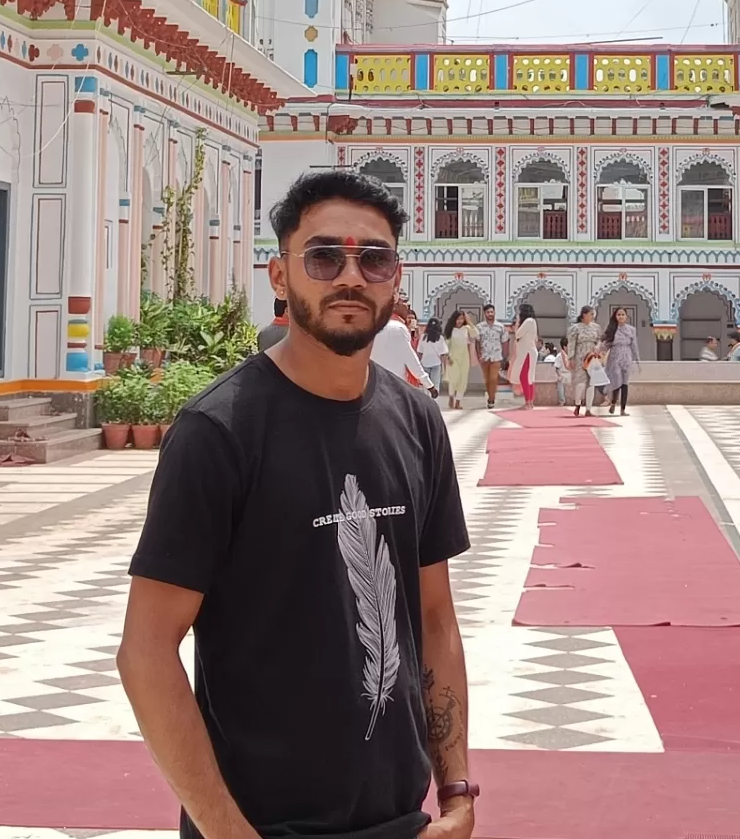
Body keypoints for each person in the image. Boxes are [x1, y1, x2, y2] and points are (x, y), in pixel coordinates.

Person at [118, 168, 476, 839]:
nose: (350, 275)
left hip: (399, 820)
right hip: (264, 826)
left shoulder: (416, 422)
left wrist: (454, 788)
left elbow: (434, 618)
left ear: (396, 278)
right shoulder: (220, 432)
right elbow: (146, 650)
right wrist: (227, 831)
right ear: (280, 277)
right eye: (323, 256)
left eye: (373, 258)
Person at [371, 305, 434, 394]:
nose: (407, 307)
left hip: (375, 382)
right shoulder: (398, 328)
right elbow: (411, 360)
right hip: (396, 382)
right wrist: (429, 384)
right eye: (404, 302)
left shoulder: (373, 326)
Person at [603, 307, 640, 416]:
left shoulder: (631, 330)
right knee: (616, 381)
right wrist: (599, 352)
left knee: (625, 383)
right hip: (615, 357)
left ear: (626, 316)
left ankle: (623, 409)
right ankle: (614, 402)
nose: (621, 316)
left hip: (626, 356)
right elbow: (606, 344)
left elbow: (634, 345)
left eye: (623, 314)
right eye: (618, 314)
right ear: (615, 316)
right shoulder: (612, 329)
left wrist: (637, 360)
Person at [567, 306, 603, 416]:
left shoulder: (596, 327)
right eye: (591, 314)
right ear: (584, 314)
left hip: (592, 356)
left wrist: (598, 347)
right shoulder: (575, 328)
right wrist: (571, 357)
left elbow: (600, 340)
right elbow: (571, 343)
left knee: (591, 382)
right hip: (580, 355)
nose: (593, 316)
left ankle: (588, 408)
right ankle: (578, 404)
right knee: (581, 382)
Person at [475, 304, 506, 409]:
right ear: (485, 314)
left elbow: (505, 341)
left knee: (493, 378)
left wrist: (505, 356)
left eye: (492, 312)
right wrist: (479, 355)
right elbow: (477, 342)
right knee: (487, 379)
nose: (490, 314)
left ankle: (492, 398)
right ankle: (490, 397)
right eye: (488, 312)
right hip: (484, 356)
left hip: (496, 355)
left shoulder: (500, 327)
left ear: (494, 312)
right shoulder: (479, 327)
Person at [444, 310, 477, 410]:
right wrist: (447, 357)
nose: (460, 321)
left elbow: (475, 333)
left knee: (462, 380)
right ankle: (451, 396)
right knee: (453, 379)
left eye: (462, 319)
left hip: (464, 358)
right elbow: (446, 345)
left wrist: (469, 321)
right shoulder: (450, 330)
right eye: (458, 319)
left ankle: (458, 401)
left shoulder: (466, 328)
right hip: (452, 357)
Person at [510, 304, 540, 410]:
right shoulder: (531, 321)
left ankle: (528, 402)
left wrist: (518, 322)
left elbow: (517, 334)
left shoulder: (529, 321)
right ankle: (530, 402)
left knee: (525, 377)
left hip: (527, 352)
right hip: (528, 351)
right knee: (529, 377)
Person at [419, 317, 448, 393]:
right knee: (435, 384)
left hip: (425, 363)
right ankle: (434, 401)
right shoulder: (440, 338)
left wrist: (418, 364)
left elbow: (420, 352)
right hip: (436, 364)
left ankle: (426, 402)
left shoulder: (423, 337)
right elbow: (443, 354)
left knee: (426, 385)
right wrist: (445, 368)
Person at [582, 346, 609, 415]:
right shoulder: (591, 356)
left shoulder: (598, 356)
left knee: (591, 389)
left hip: (592, 375)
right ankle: (585, 407)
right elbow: (585, 365)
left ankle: (587, 409)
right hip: (588, 374)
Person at [552, 340, 572, 406]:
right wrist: (559, 376)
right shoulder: (559, 356)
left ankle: (579, 401)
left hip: (571, 373)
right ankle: (562, 401)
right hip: (563, 374)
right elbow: (557, 368)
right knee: (559, 381)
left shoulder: (572, 354)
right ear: (565, 347)